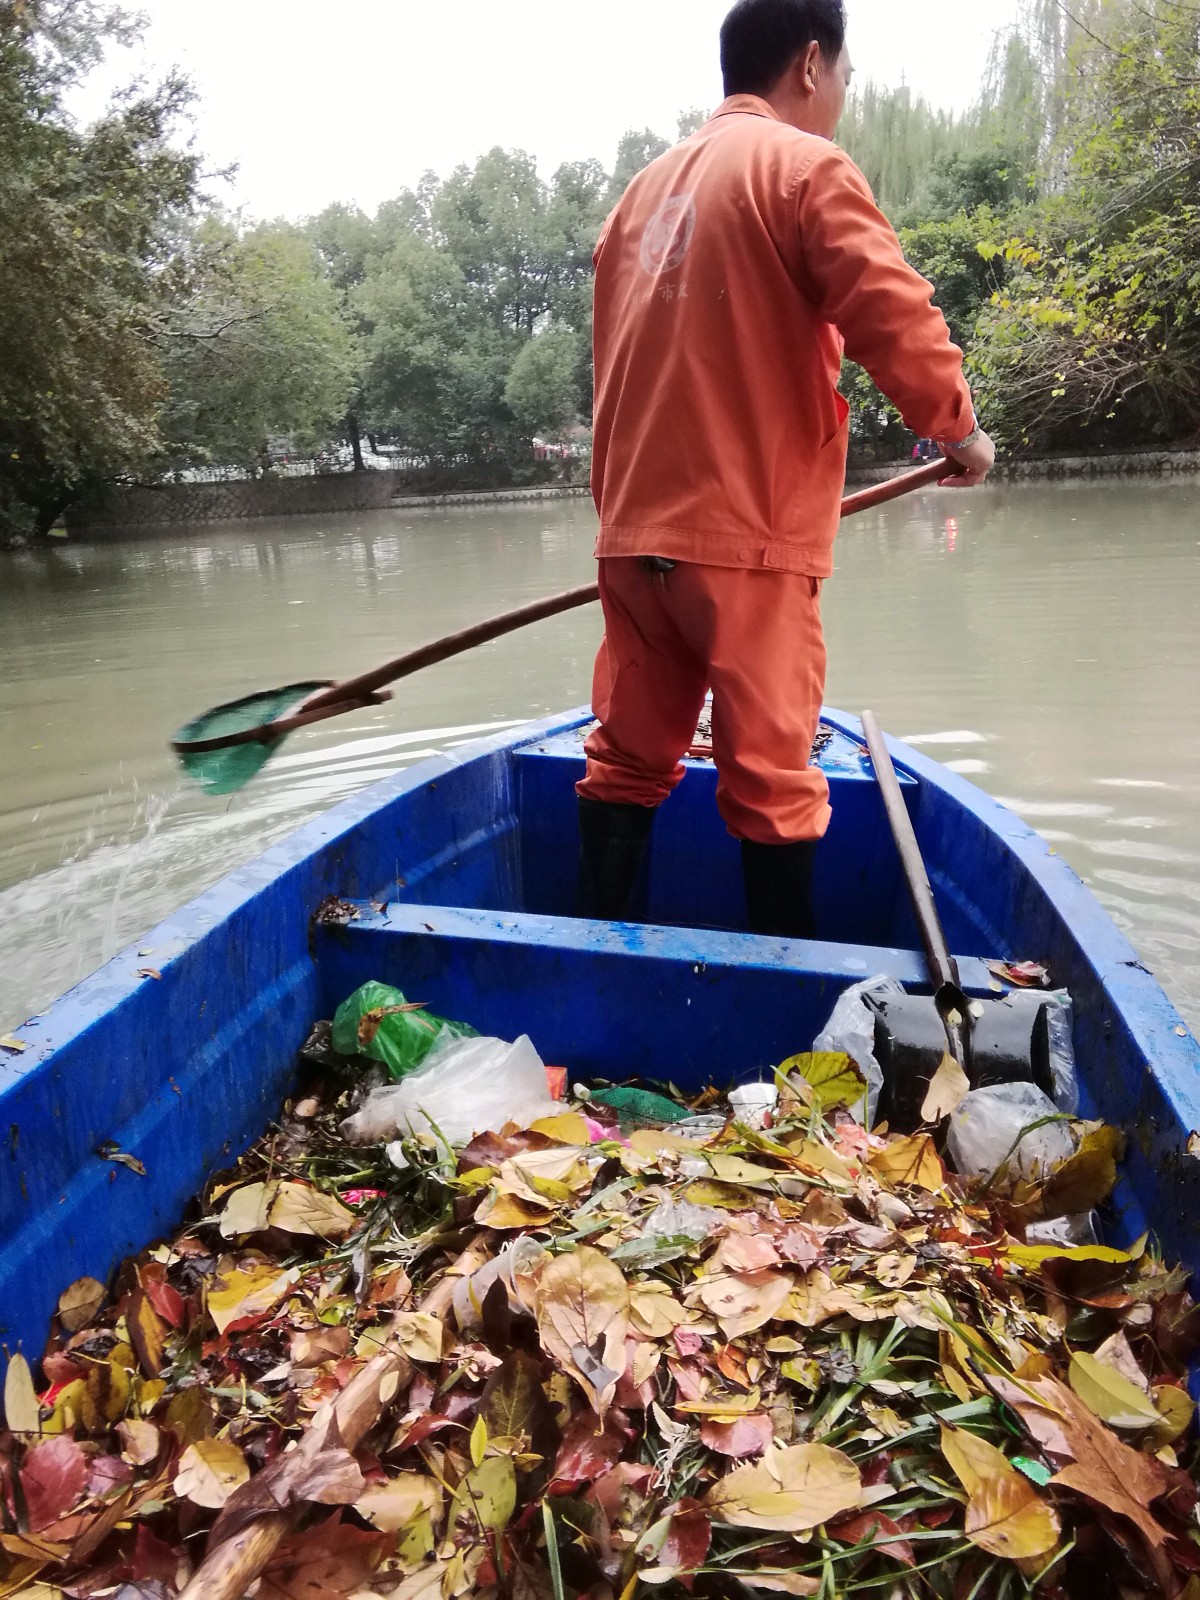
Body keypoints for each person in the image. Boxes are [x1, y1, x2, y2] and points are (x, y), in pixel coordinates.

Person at [576, 0, 995, 937]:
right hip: (746, 540)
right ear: (811, 63)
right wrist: (957, 429)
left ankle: (594, 958)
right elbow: (892, 313)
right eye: (843, 75)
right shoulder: (804, 169)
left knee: (629, 760)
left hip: (634, 542)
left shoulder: (637, 198)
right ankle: (784, 1035)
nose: (842, 96)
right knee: (771, 779)